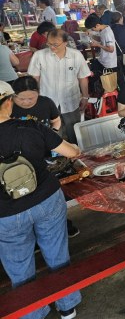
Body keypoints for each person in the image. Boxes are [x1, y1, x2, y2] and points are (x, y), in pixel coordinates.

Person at [0, 81, 83, 319]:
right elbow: (71, 152)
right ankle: (67, 306)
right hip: (46, 199)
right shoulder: (30, 127)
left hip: (6, 213)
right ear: (9, 102)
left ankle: (33, 314)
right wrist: (75, 148)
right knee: (57, 254)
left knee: (19, 266)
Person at [27, 29, 90, 144]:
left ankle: (75, 152)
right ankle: (57, 154)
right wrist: (34, 99)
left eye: (55, 44)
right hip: (48, 101)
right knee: (53, 134)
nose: (52, 47)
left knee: (74, 132)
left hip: (71, 101)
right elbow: (34, 79)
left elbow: (82, 78)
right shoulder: (39, 56)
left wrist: (85, 97)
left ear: (65, 43)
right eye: (49, 43)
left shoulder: (76, 55)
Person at [85, 13, 117, 87]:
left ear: (97, 25)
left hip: (109, 63)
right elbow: (101, 39)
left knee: (108, 84)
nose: (93, 30)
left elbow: (111, 49)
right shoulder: (103, 29)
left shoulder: (107, 33)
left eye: (92, 29)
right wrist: (91, 35)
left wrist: (97, 45)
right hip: (103, 59)